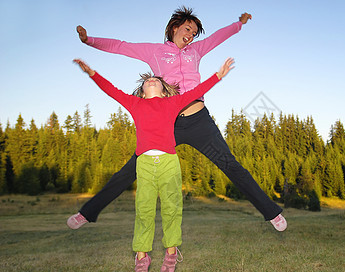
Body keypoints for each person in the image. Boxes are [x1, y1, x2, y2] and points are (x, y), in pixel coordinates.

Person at [67, 6, 287, 232]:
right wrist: (88, 40)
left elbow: (218, 37)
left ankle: (271, 212)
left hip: (199, 120)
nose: (191, 35)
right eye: (188, 29)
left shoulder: (196, 50)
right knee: (131, 170)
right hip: (166, 122)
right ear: (174, 28)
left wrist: (239, 24)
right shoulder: (154, 51)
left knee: (230, 164)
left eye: (194, 33)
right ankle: (87, 212)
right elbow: (121, 46)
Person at [74, 57, 234, 272]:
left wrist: (218, 75)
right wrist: (92, 72)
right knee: (144, 210)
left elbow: (196, 91)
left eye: (155, 80)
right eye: (147, 81)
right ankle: (142, 257)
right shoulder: (135, 104)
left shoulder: (173, 103)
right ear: (141, 92)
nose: (151, 81)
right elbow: (111, 90)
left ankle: (170, 253)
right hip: (145, 164)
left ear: (165, 90)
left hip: (169, 162)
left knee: (172, 208)